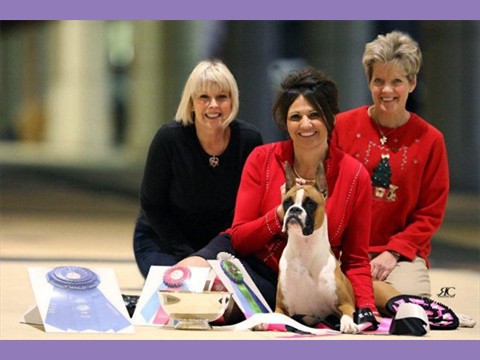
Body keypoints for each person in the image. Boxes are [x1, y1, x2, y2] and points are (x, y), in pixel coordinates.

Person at [180, 67, 378, 324]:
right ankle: (141, 304)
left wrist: (367, 308)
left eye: (314, 115)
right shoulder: (262, 159)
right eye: (295, 117)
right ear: (285, 122)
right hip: (244, 255)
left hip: (288, 279)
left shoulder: (354, 175)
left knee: (215, 310)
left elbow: (356, 259)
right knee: (183, 279)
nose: (305, 124)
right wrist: (278, 216)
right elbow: (239, 238)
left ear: (330, 118)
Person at [331, 31, 474, 328]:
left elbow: (430, 214)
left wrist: (393, 252)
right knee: (336, 296)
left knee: (409, 302)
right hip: (346, 252)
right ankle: (391, 301)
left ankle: (385, 299)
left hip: (401, 255)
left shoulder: (431, 140)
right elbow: (329, 191)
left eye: (396, 81)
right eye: (378, 81)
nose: (387, 90)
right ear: (369, 82)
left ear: (412, 83)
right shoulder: (342, 127)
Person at [134, 59, 263, 278]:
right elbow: (152, 204)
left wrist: (214, 253)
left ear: (232, 101)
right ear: (191, 102)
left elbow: (251, 208)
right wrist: (189, 256)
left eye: (222, 97)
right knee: (182, 289)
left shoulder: (249, 141)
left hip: (224, 245)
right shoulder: (169, 138)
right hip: (165, 241)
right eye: (204, 97)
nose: (214, 104)